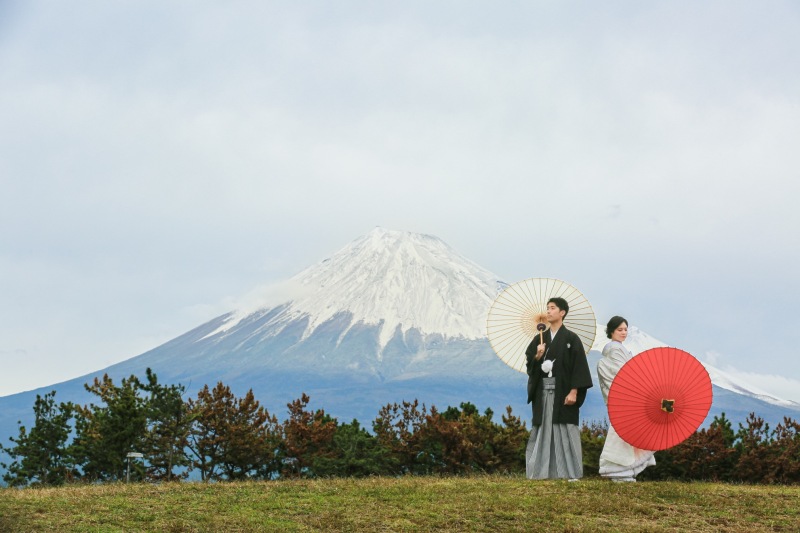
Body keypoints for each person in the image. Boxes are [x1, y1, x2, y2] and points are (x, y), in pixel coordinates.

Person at [525, 297, 593, 480]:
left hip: (563, 392)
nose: (548, 311)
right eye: (547, 308)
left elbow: (579, 367)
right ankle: (539, 472)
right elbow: (530, 367)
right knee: (543, 429)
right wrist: (538, 356)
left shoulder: (571, 339)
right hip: (543, 393)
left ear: (562, 312)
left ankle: (570, 472)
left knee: (565, 429)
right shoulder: (539, 340)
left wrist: (574, 391)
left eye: (552, 308)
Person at [597, 316, 656, 482]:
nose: (624, 332)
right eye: (619, 330)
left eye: (625, 329)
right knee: (623, 434)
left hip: (623, 399)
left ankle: (621, 469)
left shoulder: (618, 350)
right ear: (611, 332)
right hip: (624, 399)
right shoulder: (615, 350)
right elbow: (623, 374)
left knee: (624, 433)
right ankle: (618, 469)